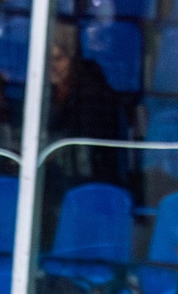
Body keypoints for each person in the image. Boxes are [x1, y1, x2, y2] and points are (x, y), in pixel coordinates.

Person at [42, 24, 129, 206]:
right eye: (47, 59)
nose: (53, 67)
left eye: (59, 59)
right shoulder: (44, 88)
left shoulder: (92, 91)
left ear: (73, 59)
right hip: (57, 174)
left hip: (88, 176)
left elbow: (86, 142)